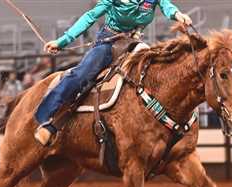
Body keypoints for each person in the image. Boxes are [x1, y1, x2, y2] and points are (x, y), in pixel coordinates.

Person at [34, 0, 193, 146]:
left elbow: (167, 6)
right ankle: (45, 117)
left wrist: (178, 15)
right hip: (109, 41)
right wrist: (62, 41)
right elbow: (90, 16)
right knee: (81, 75)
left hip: (135, 43)